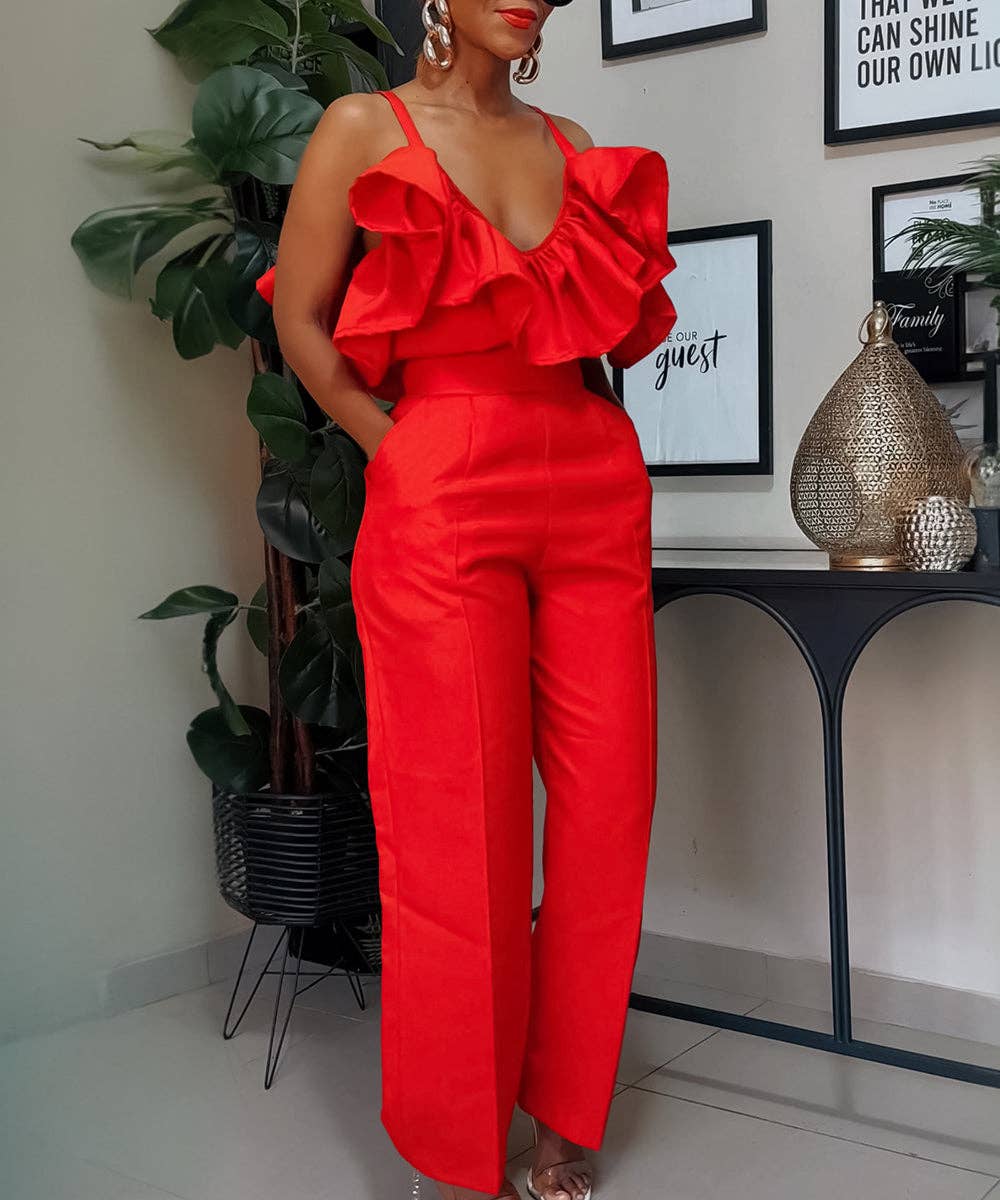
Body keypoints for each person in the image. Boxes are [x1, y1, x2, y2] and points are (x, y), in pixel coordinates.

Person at [255, 2, 678, 1197]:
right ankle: (459, 1136)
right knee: (459, 821)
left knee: (609, 808)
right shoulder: (362, 126)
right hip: (443, 485)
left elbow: (590, 331)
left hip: (590, 486)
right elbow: (299, 317)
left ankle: (566, 1110)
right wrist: (397, 448)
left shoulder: (569, 137)